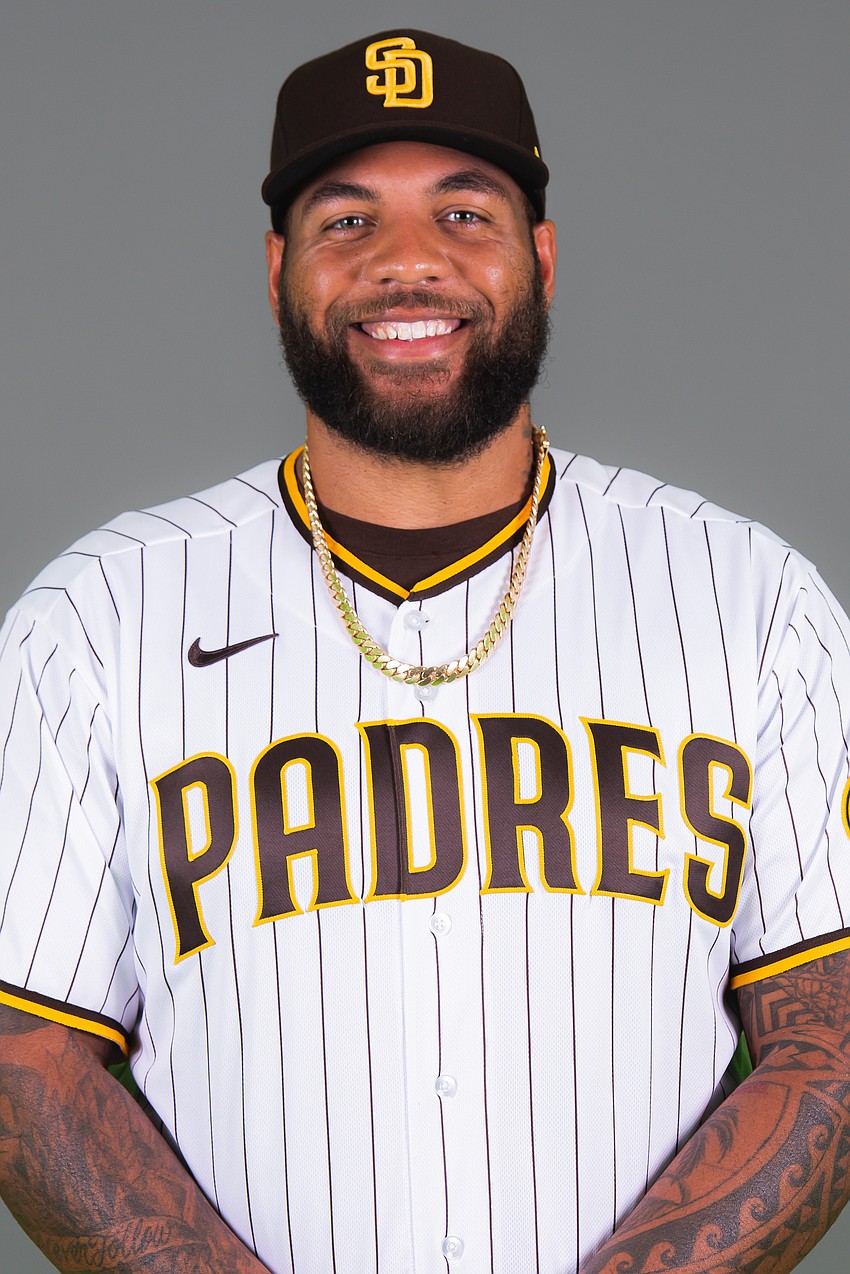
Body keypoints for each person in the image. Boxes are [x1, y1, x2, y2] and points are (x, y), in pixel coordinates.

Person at [1, 27, 849, 1274]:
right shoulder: (95, 618)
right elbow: (23, 1056)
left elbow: (831, 1037)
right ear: (279, 271)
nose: (407, 260)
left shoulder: (751, 600)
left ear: (540, 258)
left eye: (463, 213)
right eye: (347, 221)